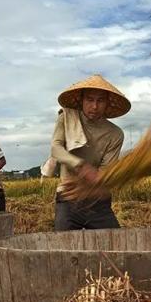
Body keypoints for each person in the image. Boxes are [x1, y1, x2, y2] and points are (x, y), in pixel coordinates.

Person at [46, 74, 130, 231]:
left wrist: (102, 179)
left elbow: (105, 170)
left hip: (97, 201)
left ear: (107, 104)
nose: (95, 106)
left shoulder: (115, 134)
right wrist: (82, 166)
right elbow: (56, 149)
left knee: (115, 243)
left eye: (100, 101)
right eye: (90, 100)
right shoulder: (66, 118)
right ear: (82, 101)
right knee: (64, 246)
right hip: (68, 197)